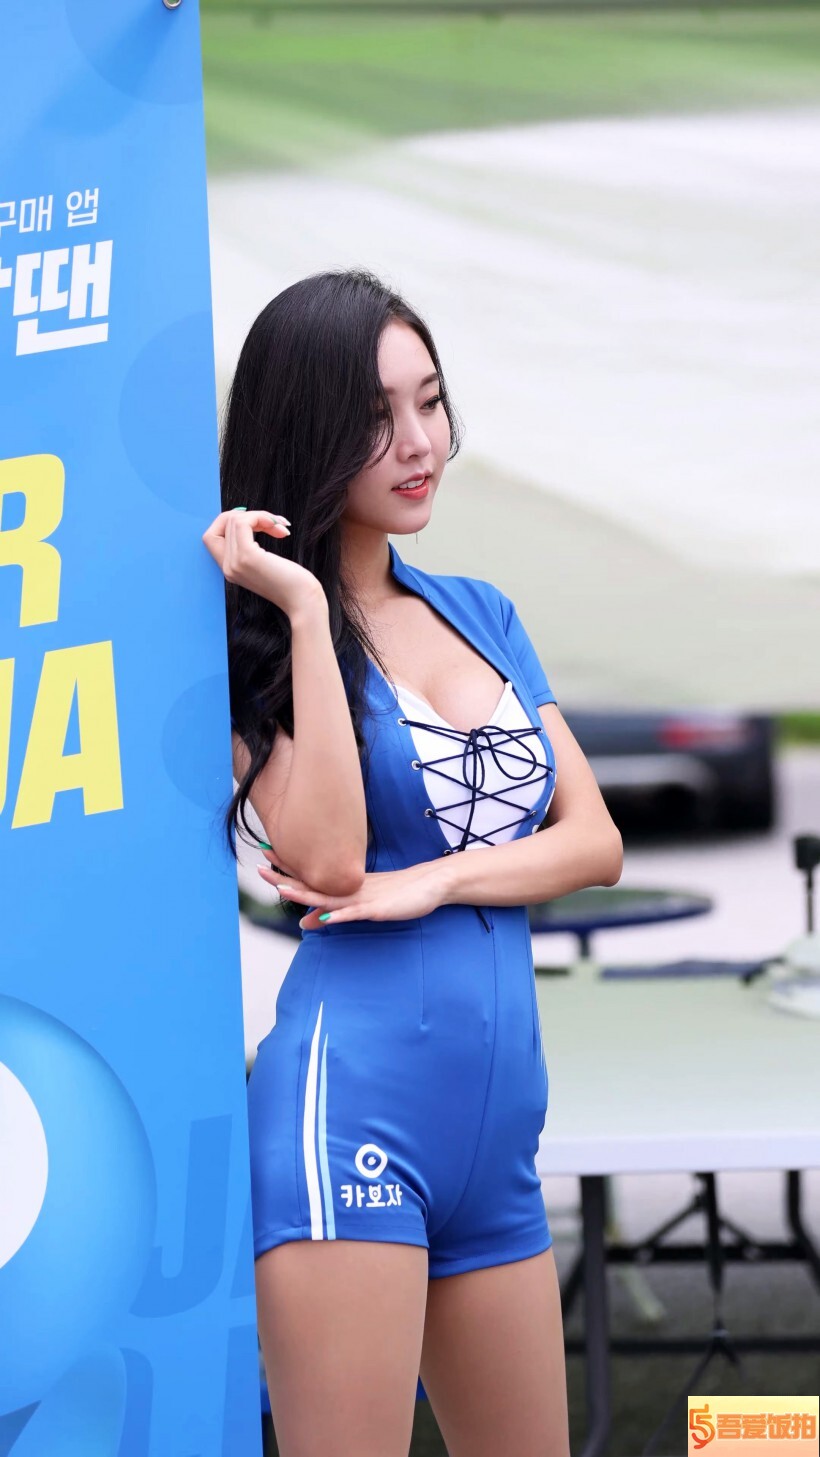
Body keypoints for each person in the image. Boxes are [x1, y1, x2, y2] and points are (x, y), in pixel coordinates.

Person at [202, 268, 623, 1457]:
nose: (418, 441)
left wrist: (435, 877)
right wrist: (304, 610)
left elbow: (593, 841)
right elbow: (332, 861)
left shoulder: (481, 610)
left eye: (428, 401)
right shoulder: (252, 639)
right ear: (306, 431)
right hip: (350, 1118)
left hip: (495, 1141)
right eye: (375, 416)